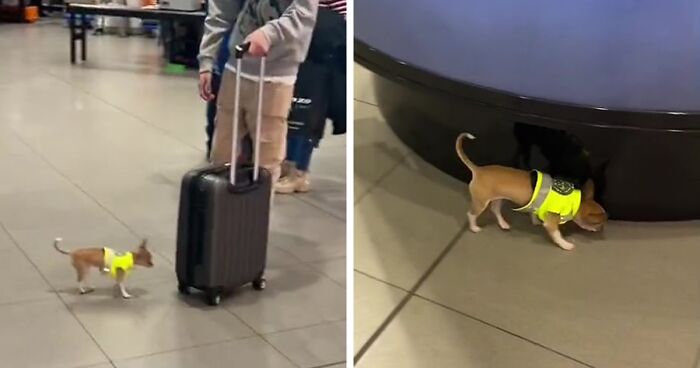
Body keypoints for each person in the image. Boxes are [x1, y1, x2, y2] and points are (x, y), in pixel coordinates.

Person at [198, 0, 319, 188]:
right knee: (222, 154)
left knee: (266, 161)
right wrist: (206, 60)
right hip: (236, 66)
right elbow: (221, 10)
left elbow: (303, 14)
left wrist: (268, 33)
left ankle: (256, 213)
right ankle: (220, 211)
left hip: (276, 75)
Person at [275, 0, 346, 194]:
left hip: (321, 54)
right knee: (288, 110)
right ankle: (284, 165)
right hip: (294, 46)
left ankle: (298, 171)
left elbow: (343, 13)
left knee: (305, 112)